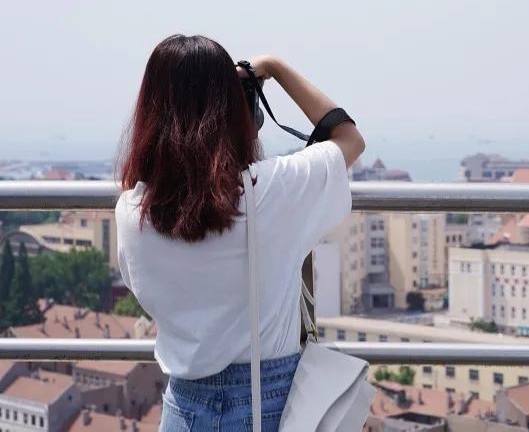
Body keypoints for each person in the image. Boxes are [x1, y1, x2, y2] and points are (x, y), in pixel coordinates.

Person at [115, 34, 365, 432]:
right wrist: (274, 68)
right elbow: (349, 138)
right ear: (233, 108)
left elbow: (141, 287)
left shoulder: (133, 212)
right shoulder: (271, 190)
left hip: (185, 406)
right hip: (272, 403)